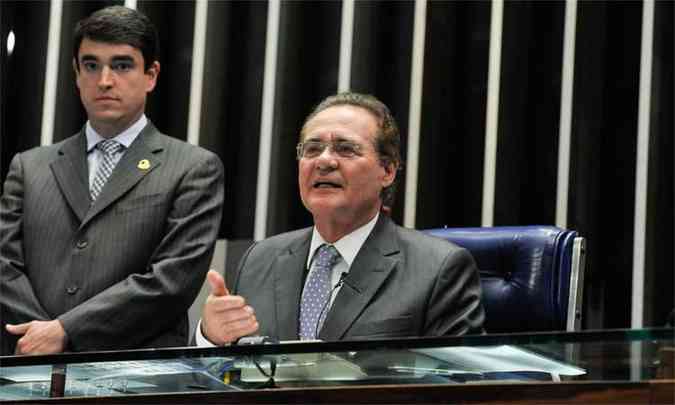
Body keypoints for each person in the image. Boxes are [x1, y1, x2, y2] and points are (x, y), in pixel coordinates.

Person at [0, 6, 224, 355]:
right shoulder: (29, 167)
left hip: (137, 374)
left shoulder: (194, 168)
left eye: (122, 65)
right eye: (91, 65)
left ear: (151, 75)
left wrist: (65, 332)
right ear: (76, 74)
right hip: (29, 369)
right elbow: (5, 266)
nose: (104, 80)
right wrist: (40, 335)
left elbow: (171, 282)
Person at [197, 92, 484, 346]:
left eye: (346, 149)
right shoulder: (260, 259)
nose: (324, 161)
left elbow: (459, 385)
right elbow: (220, 377)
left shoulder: (438, 269)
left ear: (387, 171)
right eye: (312, 149)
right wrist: (211, 336)